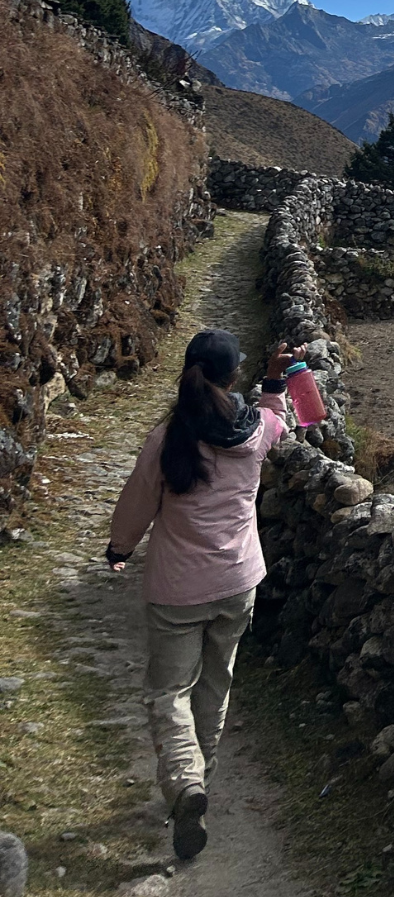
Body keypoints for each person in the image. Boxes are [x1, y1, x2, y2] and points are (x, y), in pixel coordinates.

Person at [105, 330, 300, 861]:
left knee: (168, 691)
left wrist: (119, 548)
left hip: (177, 589)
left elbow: (139, 499)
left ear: (188, 371)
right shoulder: (255, 430)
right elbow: (278, 420)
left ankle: (186, 785)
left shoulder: (170, 436)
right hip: (239, 582)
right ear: (233, 376)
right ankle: (199, 786)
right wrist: (276, 378)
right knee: (214, 686)